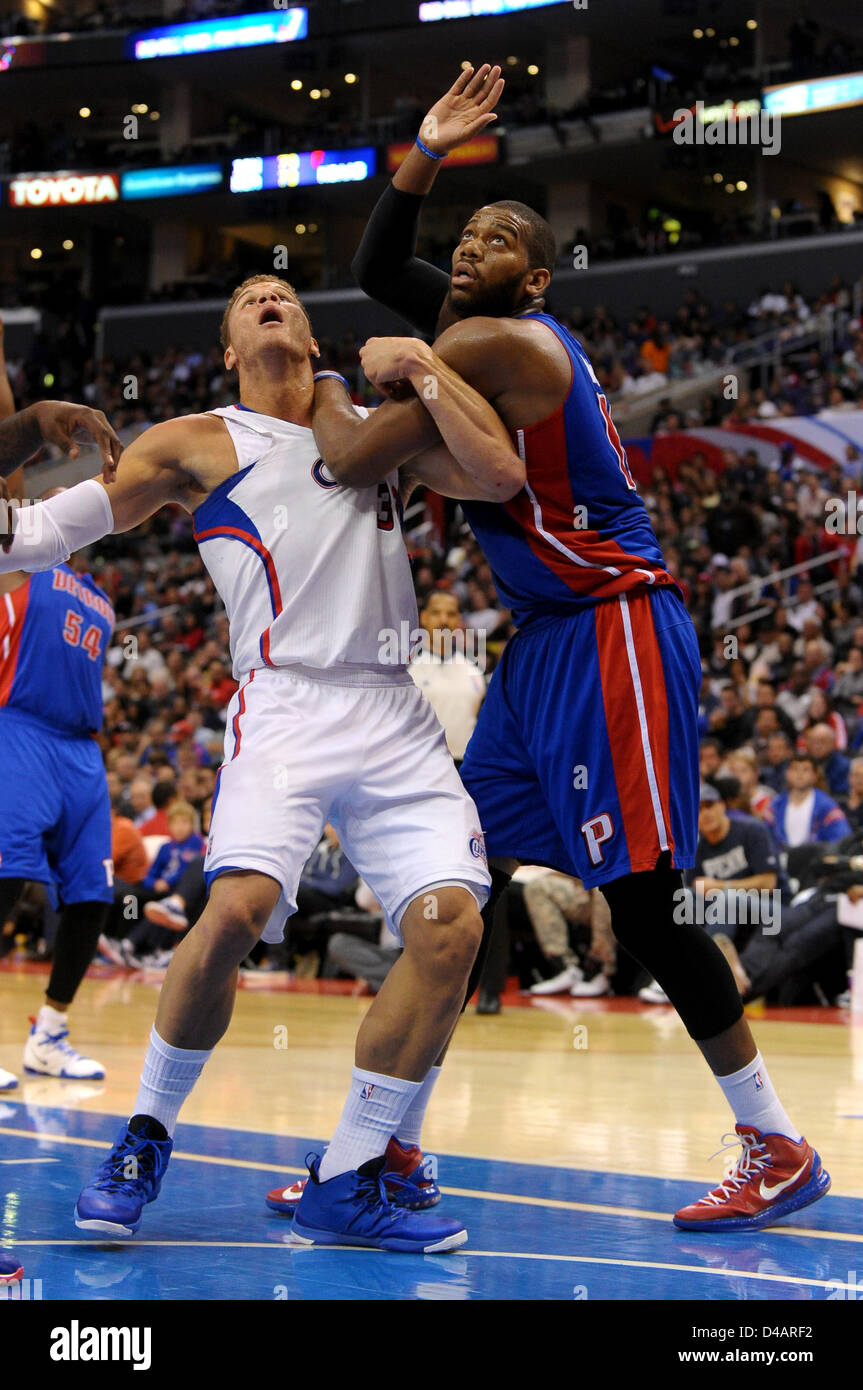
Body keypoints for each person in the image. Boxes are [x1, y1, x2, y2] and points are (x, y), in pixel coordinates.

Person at [314, 62, 831, 1232]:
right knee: (454, 877)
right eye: (466, 230)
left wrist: (373, 375)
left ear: (533, 277)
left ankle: (774, 1141)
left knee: (643, 900)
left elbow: (352, 454)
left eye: (495, 237)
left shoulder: (513, 344)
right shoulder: (463, 334)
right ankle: (389, 1148)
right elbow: (370, 268)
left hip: (614, 627)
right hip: (542, 643)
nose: (468, 242)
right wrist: (428, 150)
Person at [1, 272, 524, 1251]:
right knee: (235, 907)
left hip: (391, 709)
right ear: (229, 344)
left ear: (314, 331)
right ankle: (145, 1135)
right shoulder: (189, 441)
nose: (270, 295)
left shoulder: (373, 427)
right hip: (282, 705)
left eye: (285, 289)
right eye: (249, 295)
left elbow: (498, 472)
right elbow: (46, 532)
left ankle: (348, 1170)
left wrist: (426, 367)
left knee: (452, 927)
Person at [0, 393, 122, 1093]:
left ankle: (49, 1035)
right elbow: (5, 471)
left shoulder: (97, 592)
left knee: (91, 896)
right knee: (8, 882)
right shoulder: (15, 559)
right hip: (18, 729)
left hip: (82, 751)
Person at [408, 589, 485, 763]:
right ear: (424, 617)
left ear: (458, 619)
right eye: (436, 613)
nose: (443, 620)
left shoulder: (474, 672)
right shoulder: (407, 669)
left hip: (465, 767)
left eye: (450, 614)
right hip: (421, 765)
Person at [770, 754, 851, 848]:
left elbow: (842, 836)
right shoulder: (776, 805)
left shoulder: (827, 807)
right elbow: (767, 837)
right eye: (795, 769)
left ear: (815, 776)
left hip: (815, 859)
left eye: (805, 770)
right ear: (787, 774)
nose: (799, 774)